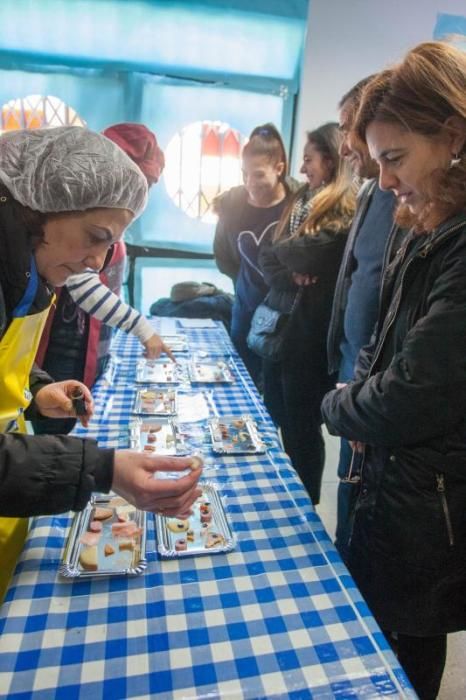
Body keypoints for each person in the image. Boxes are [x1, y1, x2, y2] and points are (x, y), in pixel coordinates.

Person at [0, 126, 202, 598]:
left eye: (108, 246)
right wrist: (102, 469)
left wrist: (32, 391)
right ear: (42, 205)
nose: (96, 261)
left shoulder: (29, 264)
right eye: (95, 237)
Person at [321, 41, 466, 699]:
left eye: (395, 159)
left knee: (403, 655)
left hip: (429, 498)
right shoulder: (431, 217)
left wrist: (341, 404)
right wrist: (360, 398)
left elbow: (417, 390)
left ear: (452, 135)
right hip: (398, 479)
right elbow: (386, 338)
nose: (384, 182)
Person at [34, 123, 173, 435]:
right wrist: (143, 329)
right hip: (63, 345)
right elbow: (86, 288)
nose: (141, 195)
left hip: (88, 344)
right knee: (56, 425)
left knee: (75, 419)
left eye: (149, 186)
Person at [260, 123, 355, 503]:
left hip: (310, 341)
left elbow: (307, 253)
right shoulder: (299, 200)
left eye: (309, 160)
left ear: (331, 162)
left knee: (301, 427)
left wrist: (287, 250)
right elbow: (267, 254)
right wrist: (292, 268)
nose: (303, 169)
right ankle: (285, 491)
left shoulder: (346, 206)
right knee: (276, 414)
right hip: (280, 331)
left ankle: (304, 504)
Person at [326, 78, 400, 560]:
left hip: (382, 387)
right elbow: (355, 276)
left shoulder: (413, 199)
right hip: (354, 371)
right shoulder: (374, 190)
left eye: (353, 128)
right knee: (348, 498)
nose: (346, 143)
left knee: (374, 529)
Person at [213, 123, 299, 386]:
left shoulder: (296, 204)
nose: (251, 183)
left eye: (259, 175)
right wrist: (244, 281)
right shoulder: (233, 205)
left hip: (284, 319)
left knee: (276, 392)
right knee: (242, 383)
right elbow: (223, 257)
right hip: (245, 309)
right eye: (245, 174)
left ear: (280, 168)